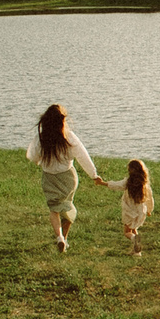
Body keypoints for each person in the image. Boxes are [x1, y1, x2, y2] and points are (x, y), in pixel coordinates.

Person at [27, 103, 106, 253]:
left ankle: (59, 238)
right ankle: (66, 238)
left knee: (54, 209)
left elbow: (32, 155)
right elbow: (83, 156)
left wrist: (39, 161)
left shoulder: (41, 137)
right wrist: (94, 175)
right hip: (68, 178)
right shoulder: (68, 136)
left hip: (49, 178)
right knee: (67, 207)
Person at [119, 159, 154, 256]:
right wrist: (149, 210)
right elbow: (150, 199)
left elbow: (117, 185)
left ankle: (135, 240)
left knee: (127, 232)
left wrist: (104, 183)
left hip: (131, 212)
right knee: (134, 229)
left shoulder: (128, 182)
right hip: (141, 212)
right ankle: (137, 252)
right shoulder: (145, 184)